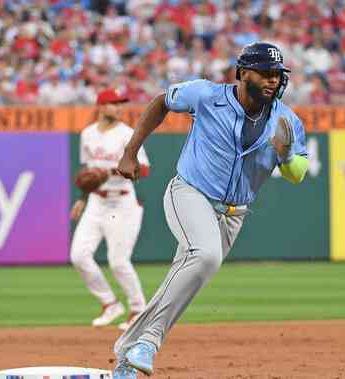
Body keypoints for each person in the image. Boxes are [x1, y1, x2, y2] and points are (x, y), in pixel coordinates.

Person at [111, 42, 309, 378]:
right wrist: (131, 151)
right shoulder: (206, 95)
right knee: (205, 256)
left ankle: (127, 357)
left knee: (184, 281)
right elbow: (161, 102)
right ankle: (149, 342)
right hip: (190, 192)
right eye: (265, 73)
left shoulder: (286, 120)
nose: (273, 80)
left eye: (277, 74)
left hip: (234, 214)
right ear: (244, 72)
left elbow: (297, 175)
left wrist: (287, 155)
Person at [70, 89, 150, 331]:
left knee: (118, 262)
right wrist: (82, 198)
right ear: (101, 106)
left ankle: (138, 310)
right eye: (113, 103)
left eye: (121, 103)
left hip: (123, 201)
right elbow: (87, 171)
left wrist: (111, 172)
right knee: (79, 256)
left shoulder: (127, 134)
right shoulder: (87, 134)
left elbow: (144, 170)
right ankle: (110, 303)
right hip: (96, 202)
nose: (118, 107)